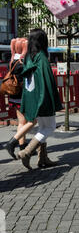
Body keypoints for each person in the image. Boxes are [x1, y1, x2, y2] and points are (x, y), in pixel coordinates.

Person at [6, 29, 62, 169]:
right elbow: (46, 81)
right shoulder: (42, 57)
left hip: (32, 97)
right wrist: (51, 101)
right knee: (48, 127)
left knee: (42, 127)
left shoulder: (29, 57)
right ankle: (27, 151)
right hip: (42, 98)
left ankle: (42, 158)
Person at [6, 38, 29, 153]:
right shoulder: (22, 62)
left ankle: (22, 144)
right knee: (25, 122)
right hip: (22, 95)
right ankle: (19, 144)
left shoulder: (11, 61)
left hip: (13, 94)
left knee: (21, 121)